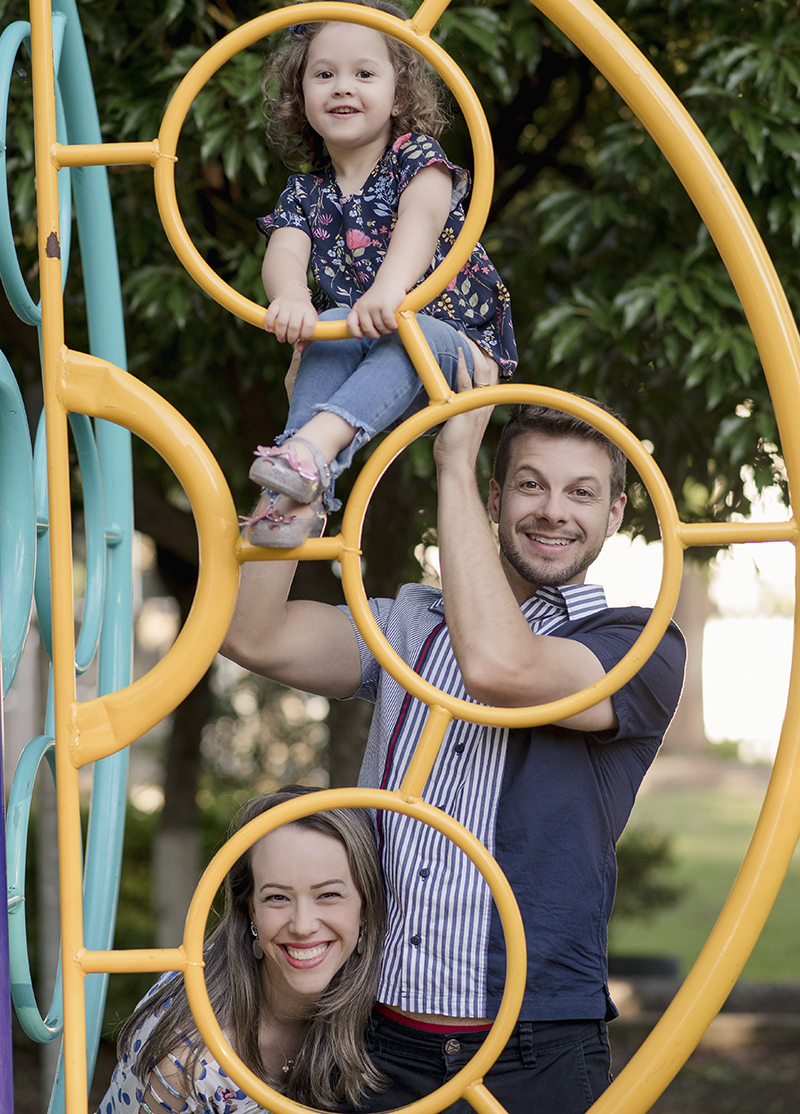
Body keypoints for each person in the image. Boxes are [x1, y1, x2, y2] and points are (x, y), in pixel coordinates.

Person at [222, 353, 686, 1114]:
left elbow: (501, 666)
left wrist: (452, 455)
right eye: (531, 484)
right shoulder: (412, 622)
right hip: (377, 1032)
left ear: (615, 514)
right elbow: (256, 636)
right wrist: (293, 499)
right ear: (495, 499)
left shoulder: (639, 643)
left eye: (582, 492)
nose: (553, 511)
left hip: (532, 1046)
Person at [243, 0, 516, 548]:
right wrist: (292, 296)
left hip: (456, 349)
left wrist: (392, 288)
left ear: (398, 95)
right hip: (368, 340)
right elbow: (286, 252)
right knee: (326, 333)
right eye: (324, 74)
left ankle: (311, 448)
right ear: (301, 97)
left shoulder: (418, 158)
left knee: (399, 327)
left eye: (364, 72)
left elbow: (421, 221)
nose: (343, 85)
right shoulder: (306, 191)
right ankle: (296, 489)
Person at [96, 787, 385, 1114]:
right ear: (249, 911)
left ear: (366, 906)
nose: (303, 925)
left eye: (329, 895)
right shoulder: (187, 1057)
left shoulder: (391, 1000)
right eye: (277, 897)